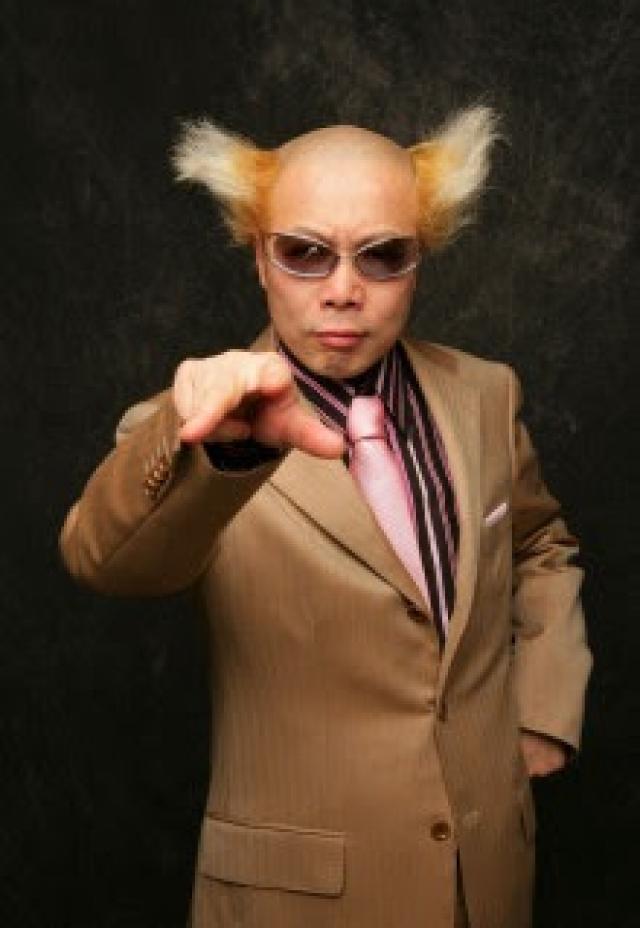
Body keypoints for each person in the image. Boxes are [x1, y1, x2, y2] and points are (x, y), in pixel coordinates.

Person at [59, 106, 592, 928]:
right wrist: (218, 453)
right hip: (298, 899)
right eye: (305, 253)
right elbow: (103, 559)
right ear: (258, 257)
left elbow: (539, 543)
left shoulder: (486, 394)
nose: (343, 291)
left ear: (421, 258)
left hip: (486, 879)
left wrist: (543, 708)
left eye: (382, 255)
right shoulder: (196, 428)